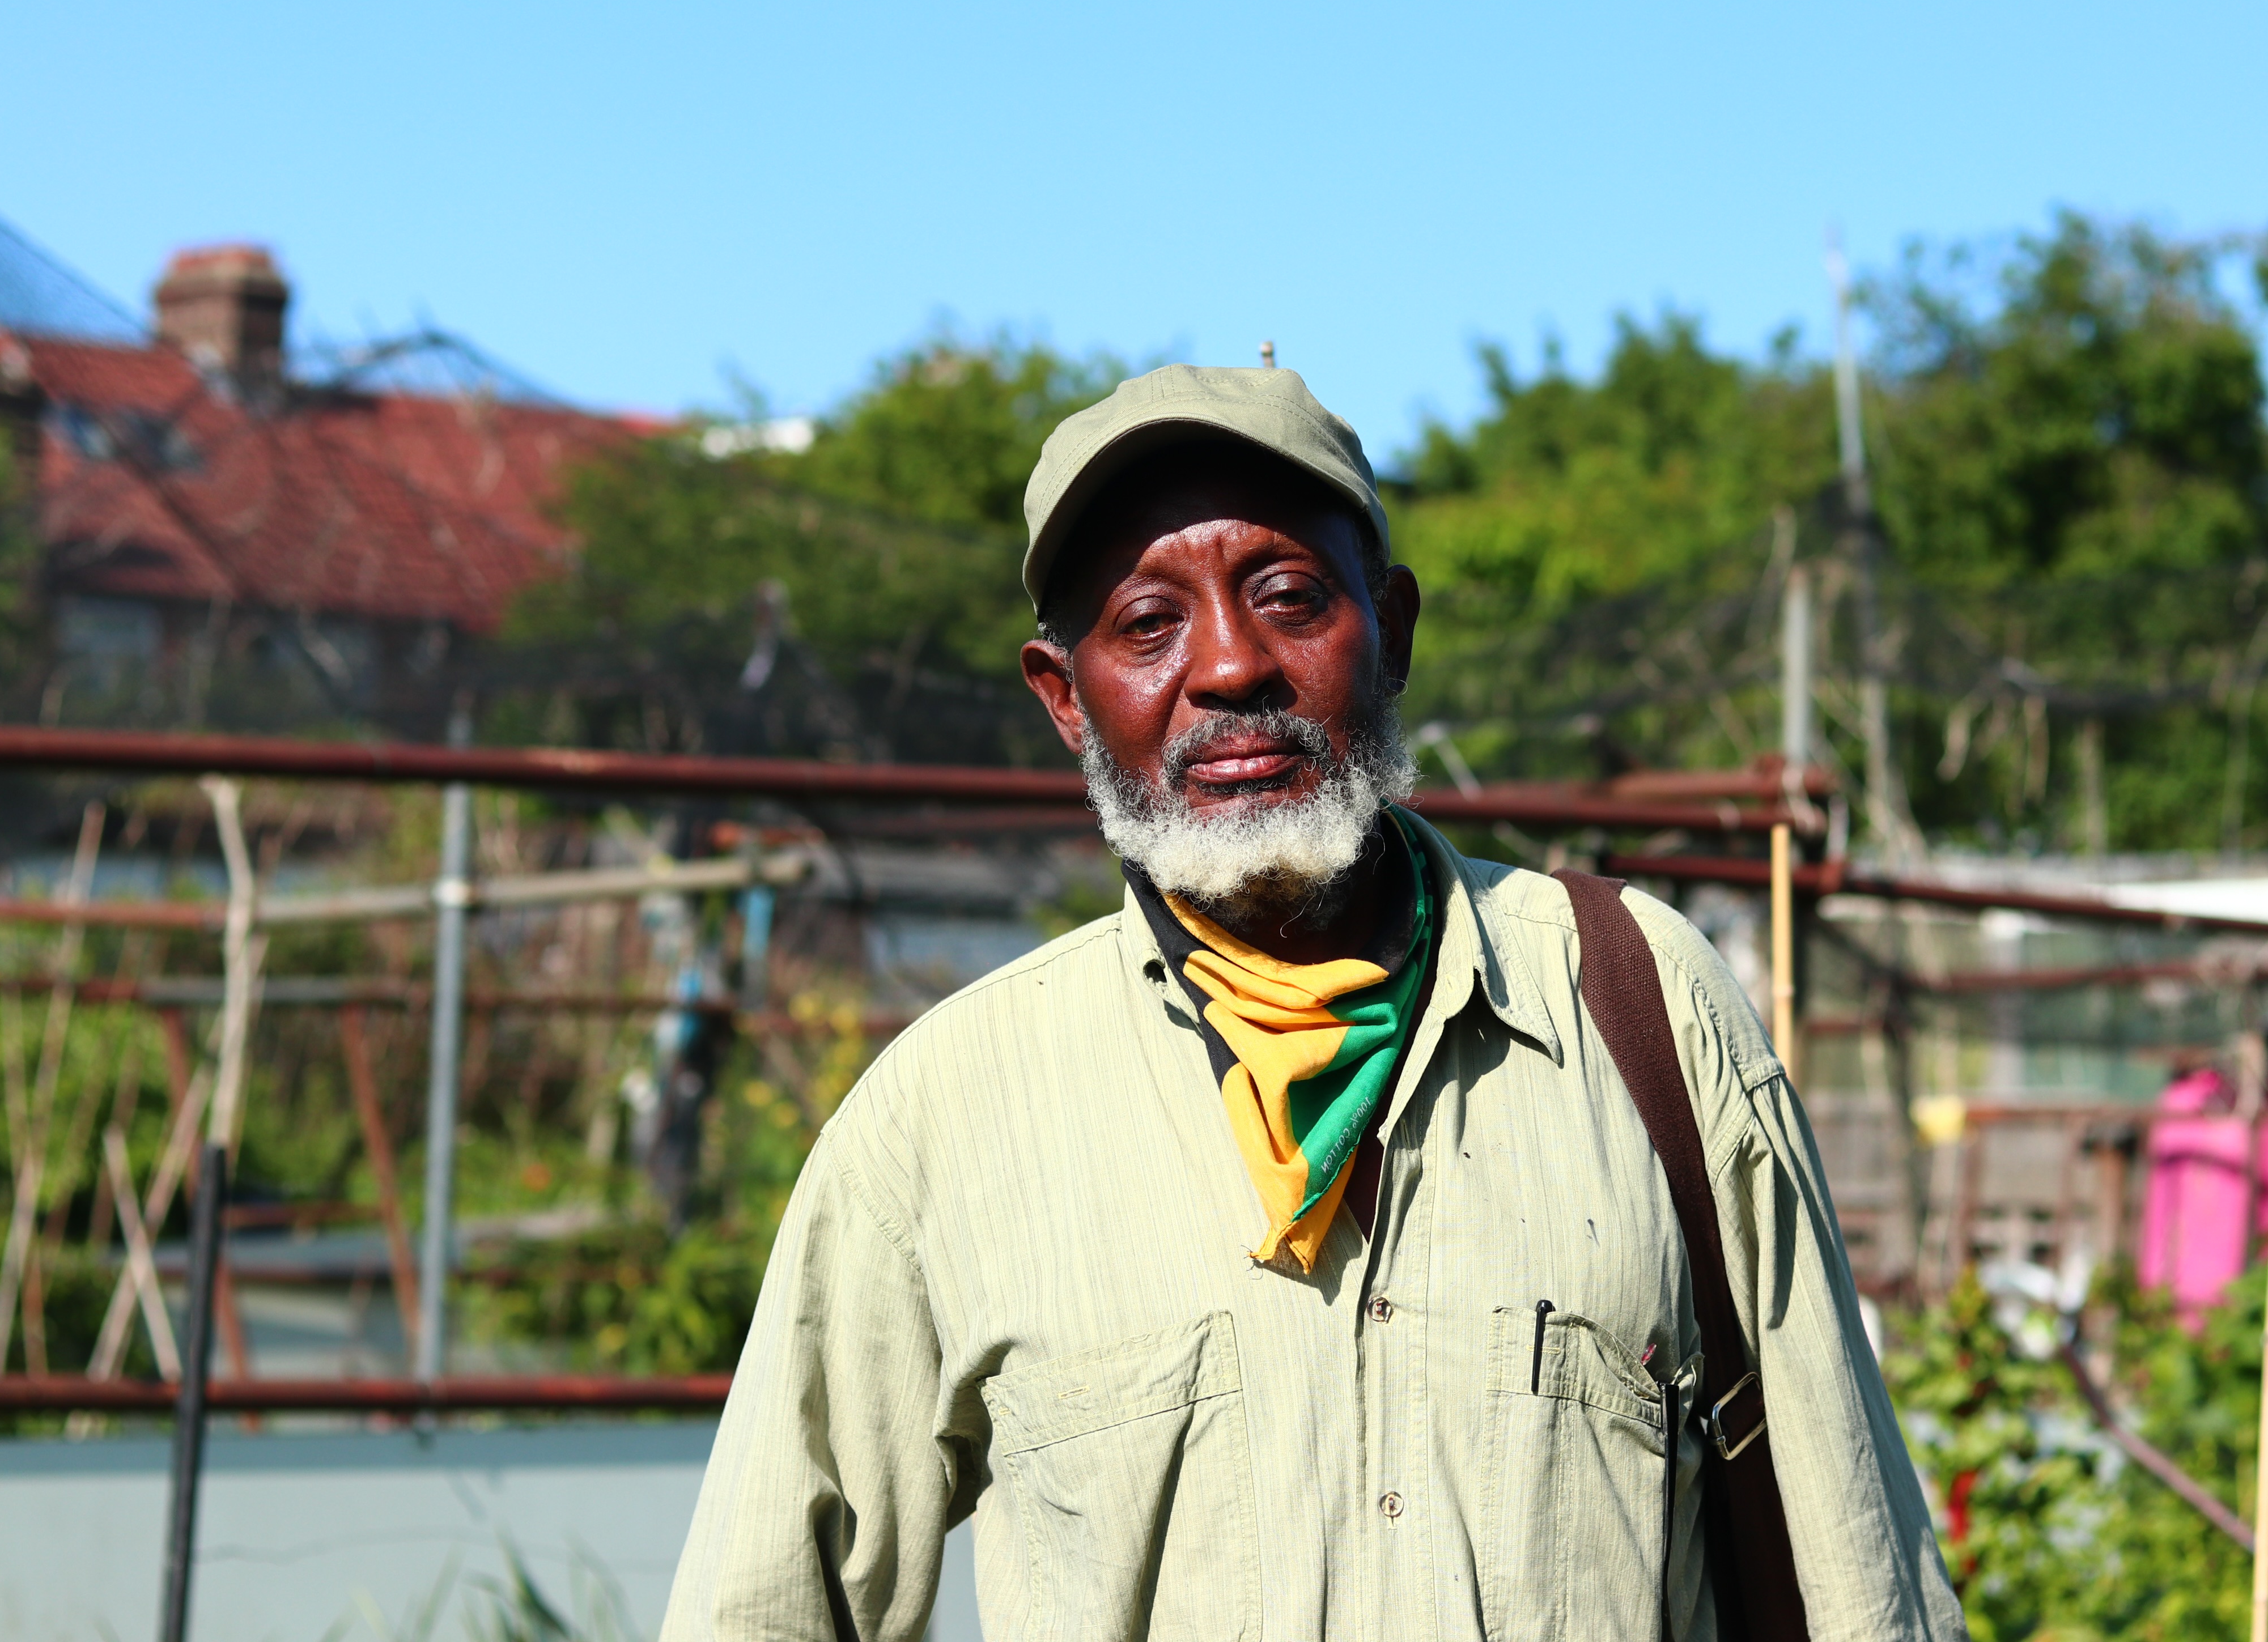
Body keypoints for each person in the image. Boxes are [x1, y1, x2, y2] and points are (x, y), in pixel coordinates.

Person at [664, 365, 1964, 1641]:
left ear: (1390, 629)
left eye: (1289, 597)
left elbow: (1858, 1577)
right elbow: (766, 1607)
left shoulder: (1641, 1008)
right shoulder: (942, 1121)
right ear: (1066, 700)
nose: (1231, 668)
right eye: (1147, 624)